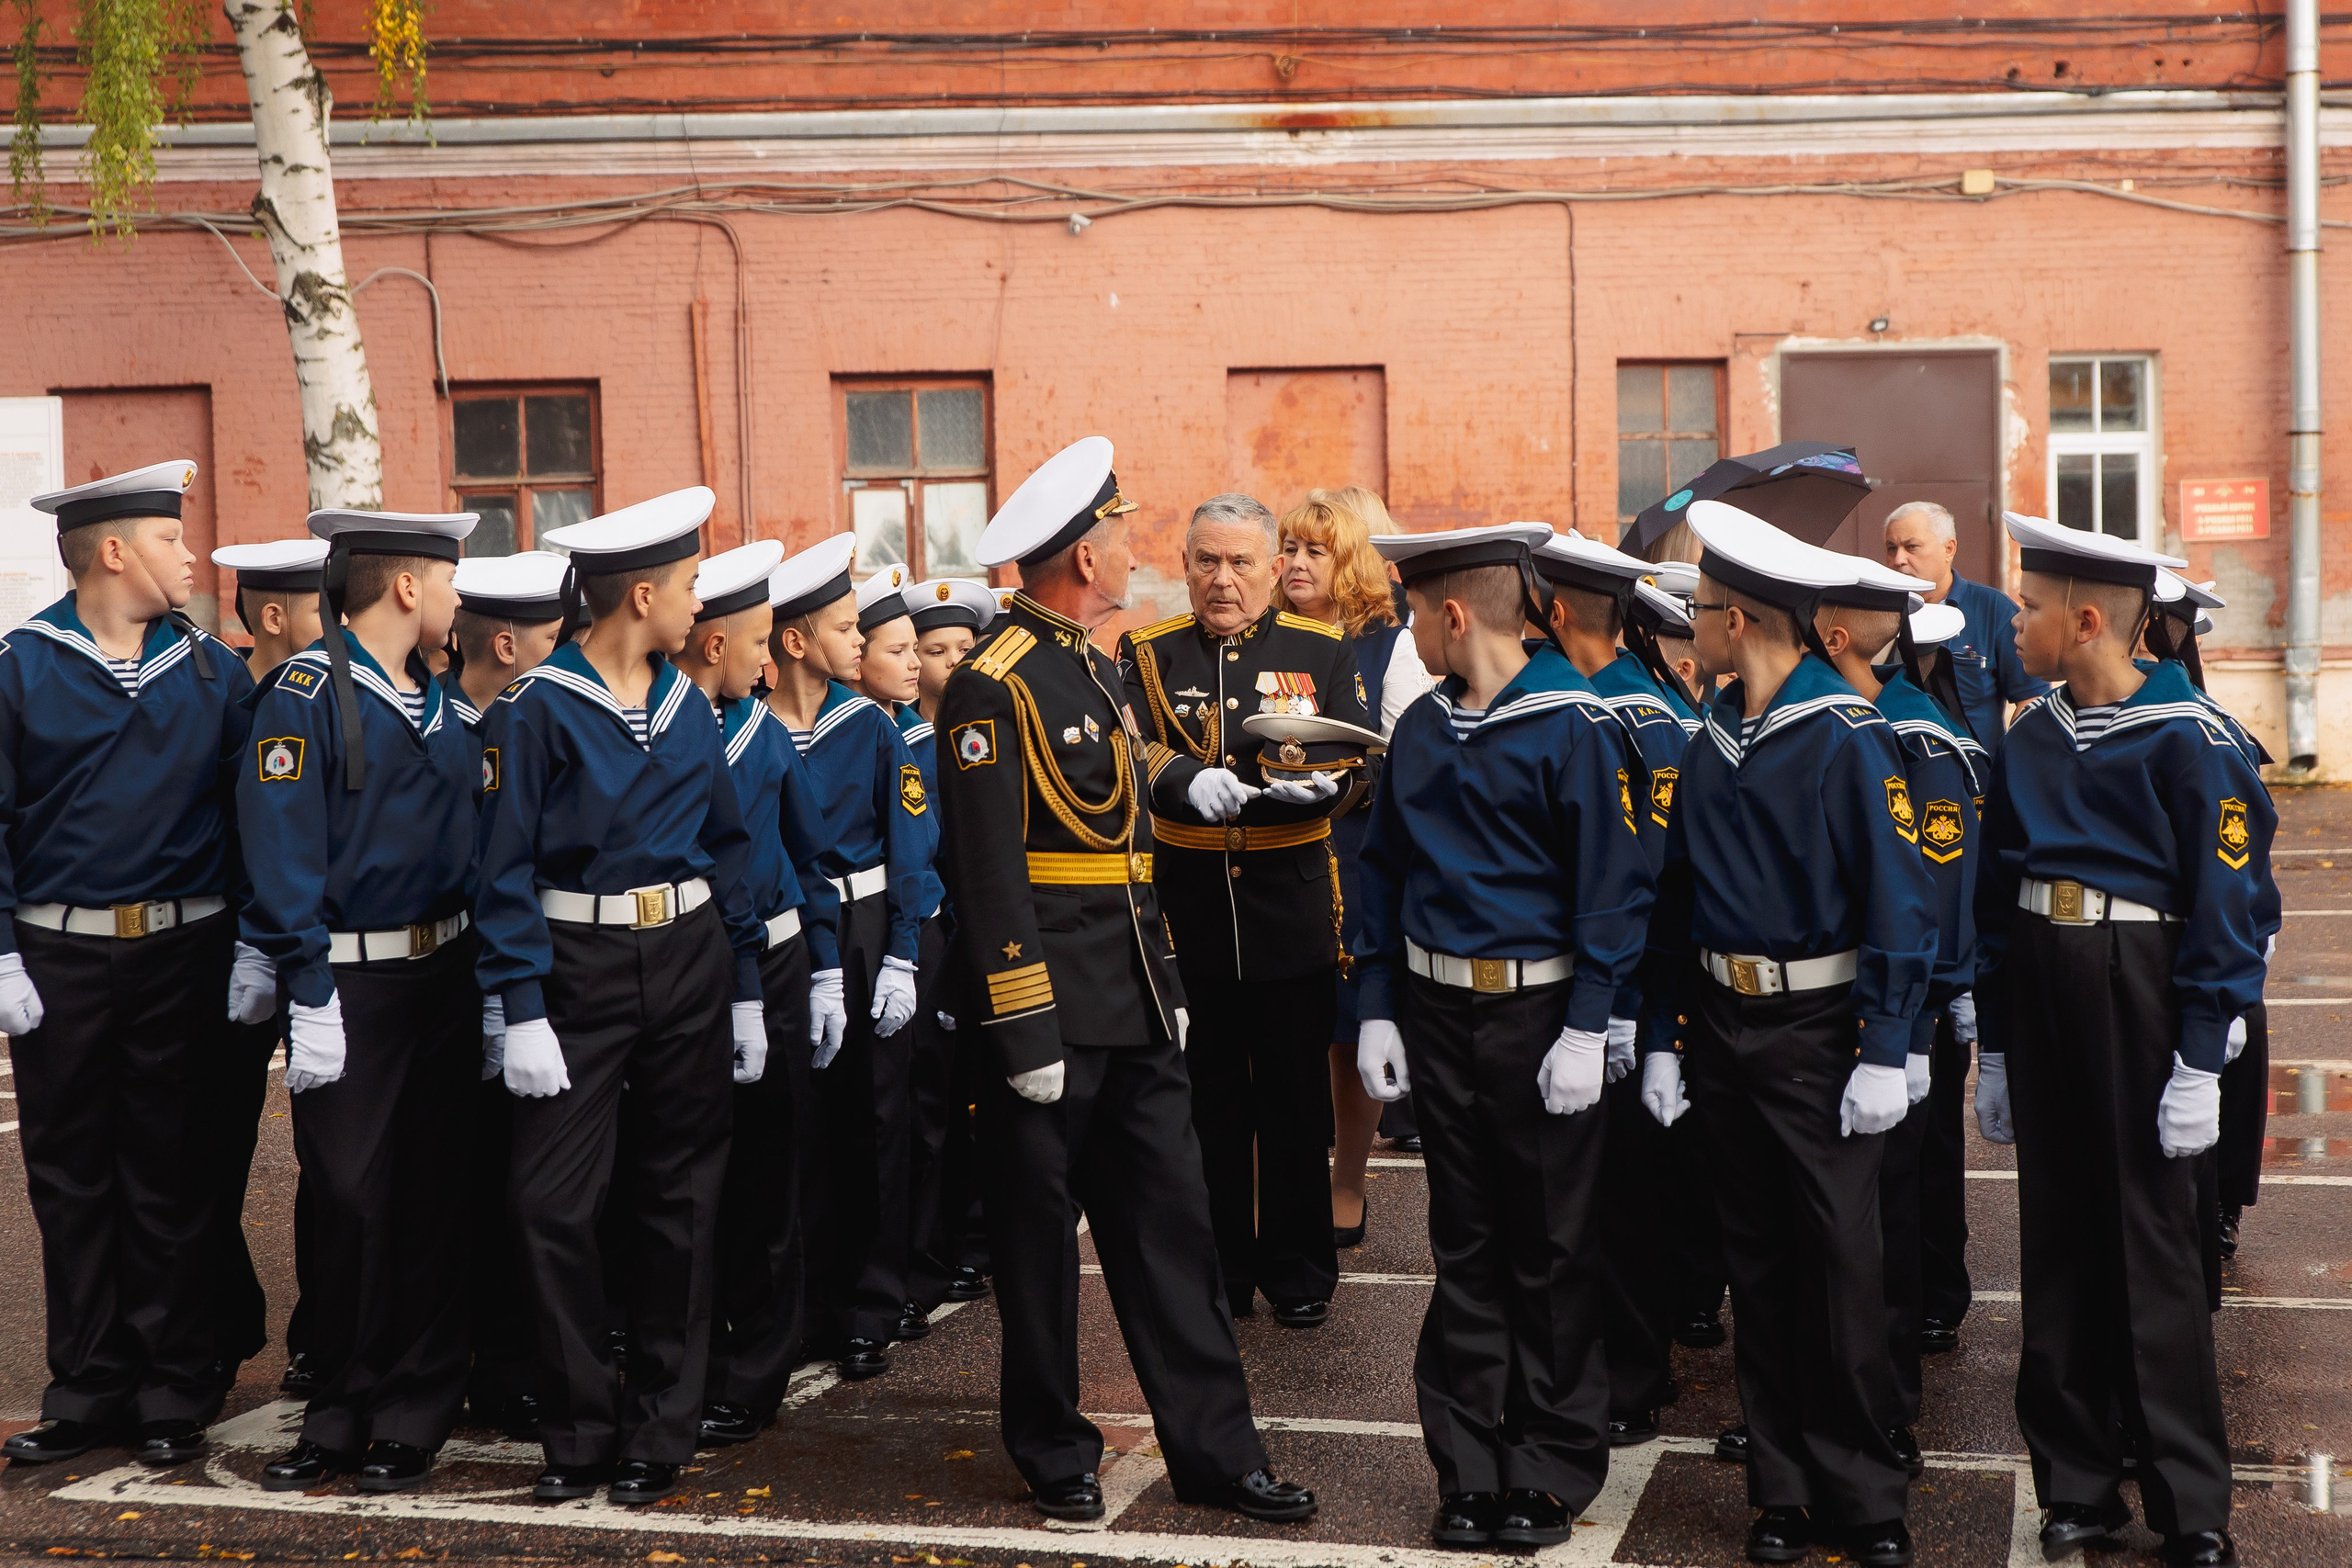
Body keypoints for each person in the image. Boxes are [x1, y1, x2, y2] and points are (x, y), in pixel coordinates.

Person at [936, 434, 1314, 1526]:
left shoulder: (1096, 664)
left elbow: (1122, 766)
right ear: (1082, 562)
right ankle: (1053, 1448)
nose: (1127, 547)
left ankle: (1217, 1455)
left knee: (1172, 1239)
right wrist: (1022, 1027)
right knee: (1039, 1255)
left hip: (1136, 1002)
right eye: (1114, 534)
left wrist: (1192, 779)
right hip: (1050, 1012)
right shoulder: (988, 686)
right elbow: (990, 873)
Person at [1639, 499, 1937, 1568]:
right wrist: (1663, 1032)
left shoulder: (1844, 735)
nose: (1690, 627)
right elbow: (1676, 899)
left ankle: (1862, 1494)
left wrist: (1887, 1044)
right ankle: (1783, 1486)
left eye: (1702, 609)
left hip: (1820, 1026)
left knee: (1841, 1267)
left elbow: (1898, 896)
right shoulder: (1715, 734)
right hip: (1725, 1020)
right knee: (1757, 1262)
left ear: (1747, 618)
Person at [1973, 513, 2270, 1568]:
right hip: (2049, 981)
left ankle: (2189, 1499)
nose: (2012, 621)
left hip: (2140, 988)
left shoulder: (2192, 740)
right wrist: (1997, 1046)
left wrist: (2200, 1055)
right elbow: (1994, 897)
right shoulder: (2034, 734)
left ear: (2087, 620)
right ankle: (2077, 1482)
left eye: (2030, 606)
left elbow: (2230, 908)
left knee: (2151, 1249)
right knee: (2057, 1241)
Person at [1352, 522, 1656, 1550]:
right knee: (1466, 1243)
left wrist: (1587, 1027)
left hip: (1536, 1012)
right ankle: (1470, 1463)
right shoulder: (1427, 728)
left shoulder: (1574, 724)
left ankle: (1549, 1465)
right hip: (1440, 1013)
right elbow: (1382, 870)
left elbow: (1609, 893)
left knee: (1552, 1246)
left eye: (1411, 615)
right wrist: (1376, 1004)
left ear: (1450, 613)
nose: (1409, 634)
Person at [473, 485, 767, 1508]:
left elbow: (729, 851)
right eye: (689, 587)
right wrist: (520, 1005)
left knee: (680, 1200)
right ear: (641, 595)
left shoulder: (695, 706)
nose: (700, 606)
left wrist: (746, 993)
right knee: (549, 1202)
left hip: (689, 959)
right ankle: (580, 1427)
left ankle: (659, 1430)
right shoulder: (538, 708)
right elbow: (499, 867)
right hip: (576, 967)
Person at [0, 460, 254, 1470]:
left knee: (171, 1174)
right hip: (60, 960)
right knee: (69, 1179)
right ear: (114, 551)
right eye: (170, 539)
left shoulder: (211, 672)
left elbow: (252, 824)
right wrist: (4, 951)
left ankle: (172, 1386)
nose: (190, 555)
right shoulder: (19, 667)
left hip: (184, 954)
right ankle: (88, 1386)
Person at [237, 508, 482, 1495]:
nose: (459, 598)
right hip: (353, 982)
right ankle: (340, 1408)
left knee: (431, 1197)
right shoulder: (304, 694)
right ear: (408, 588)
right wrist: (308, 987)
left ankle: (414, 1411)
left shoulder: (439, 702)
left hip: (445, 976)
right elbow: (282, 846)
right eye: (449, 579)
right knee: (347, 1200)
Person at [1118, 493, 1372, 1328]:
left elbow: (1359, 755)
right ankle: (1220, 1274)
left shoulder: (1321, 647)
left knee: (1295, 1103)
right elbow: (1131, 744)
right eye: (1206, 561)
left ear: (1272, 569)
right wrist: (1179, 778)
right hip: (1189, 909)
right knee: (1207, 1104)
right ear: (1184, 564)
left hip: (1289, 902)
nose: (1222, 580)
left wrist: (1329, 783)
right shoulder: (1149, 653)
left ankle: (1300, 1273)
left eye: (1240, 563)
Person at [1808, 577, 1984, 1484]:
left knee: (1894, 1211)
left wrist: (1925, 1021)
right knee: (1854, 1219)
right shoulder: (1857, 723)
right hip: (1866, 999)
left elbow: (1935, 881)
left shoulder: (1913, 732)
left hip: (1908, 1006)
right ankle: (1845, 1398)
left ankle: (1888, 1409)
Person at [1528, 528, 1693, 1451]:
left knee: (1624, 1199)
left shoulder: (1633, 712)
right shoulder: (1586, 702)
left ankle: (1632, 1372)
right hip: (1576, 988)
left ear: (1553, 613)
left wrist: (1632, 1010)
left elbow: (1654, 875)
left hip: (1617, 995)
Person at [673, 540, 839, 1448]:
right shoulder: (664, 726)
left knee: (767, 1176)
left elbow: (811, 861)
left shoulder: (764, 736)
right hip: (687, 970)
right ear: (713, 646)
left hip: (766, 974)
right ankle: (684, 1361)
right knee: (691, 1177)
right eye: (756, 641)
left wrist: (821, 972)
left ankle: (756, 1368)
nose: (768, 659)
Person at [763, 536, 932, 1376]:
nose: (860, 641)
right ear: (795, 641)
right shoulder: (750, 729)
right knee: (798, 1123)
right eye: (843, 627)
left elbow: (910, 848)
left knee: (875, 1118)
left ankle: (873, 1301)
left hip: (866, 934)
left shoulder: (868, 724)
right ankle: (802, 1304)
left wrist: (901, 954)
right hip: (792, 939)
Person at [437, 547, 574, 1441]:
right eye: (554, 640)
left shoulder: (542, 723)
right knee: (454, 1187)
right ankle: (464, 1358)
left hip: (531, 990)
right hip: (442, 986)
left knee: (526, 1183)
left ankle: (520, 1366)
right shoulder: (434, 726)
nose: (567, 657)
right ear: (505, 644)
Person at [1274, 487, 1432, 1254]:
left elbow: (1416, 755)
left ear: (1357, 560)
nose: (1297, 562)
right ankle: (1291, 1177)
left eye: (1317, 549)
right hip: (1277, 851)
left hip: (1357, 853)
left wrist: (1359, 778)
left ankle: (1348, 1180)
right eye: (1291, 547)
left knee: (1348, 1027)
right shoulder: (1269, 636)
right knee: (1285, 1024)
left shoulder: (1392, 642)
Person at [204, 537, 328, 1394]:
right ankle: (217, 1323)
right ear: (275, 615)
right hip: (224, 957)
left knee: (332, 1152)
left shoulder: (327, 698)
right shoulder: (221, 698)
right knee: (210, 1151)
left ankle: (322, 1328)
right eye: (324, 611)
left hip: (315, 948)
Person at [902, 578, 1007, 1317]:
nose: (947, 662)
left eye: (962, 648)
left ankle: (980, 1235)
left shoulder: (981, 729)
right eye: (932, 649)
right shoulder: (905, 739)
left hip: (985, 929)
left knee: (987, 1093)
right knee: (934, 1101)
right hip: (935, 934)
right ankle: (943, 1242)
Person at [1881, 501, 2047, 754]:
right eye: (1891, 548)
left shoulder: (1994, 610)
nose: (1898, 559)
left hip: (1976, 778)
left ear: (1949, 549)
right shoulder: (1878, 613)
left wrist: (2010, 765)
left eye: (1911, 547)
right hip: (1899, 771)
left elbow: (2030, 698)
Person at [446, 551, 571, 727]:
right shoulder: (436, 726)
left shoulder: (554, 720)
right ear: (507, 648)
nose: (568, 649)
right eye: (554, 638)